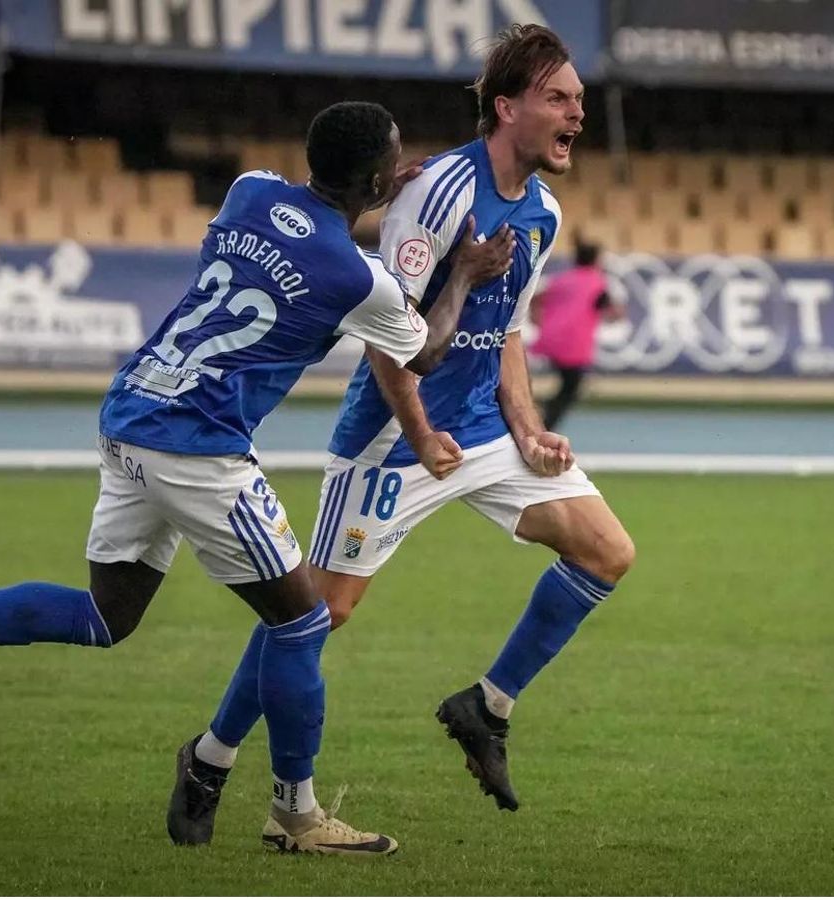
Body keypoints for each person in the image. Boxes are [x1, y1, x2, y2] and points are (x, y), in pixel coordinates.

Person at [0, 101, 516, 855]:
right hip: (199, 449)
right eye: (394, 160)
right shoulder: (358, 278)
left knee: (105, 616)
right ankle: (296, 814)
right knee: (303, 622)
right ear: (377, 176)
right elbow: (427, 350)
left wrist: (369, 189)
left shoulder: (251, 190)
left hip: (132, 411)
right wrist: (464, 275)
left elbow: (309, 226)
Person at [186, 24, 636, 815]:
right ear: (506, 108)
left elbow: (506, 329)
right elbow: (384, 336)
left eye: (580, 101)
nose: (577, 114)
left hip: (483, 432)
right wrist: (423, 435)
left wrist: (526, 427)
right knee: (320, 614)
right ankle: (209, 759)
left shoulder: (543, 212)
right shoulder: (440, 193)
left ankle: (486, 708)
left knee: (606, 551)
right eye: (559, 98)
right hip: (398, 438)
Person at [527, 237, 625, 430]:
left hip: (550, 339)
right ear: (597, 260)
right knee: (571, 388)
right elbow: (614, 313)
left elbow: (535, 299)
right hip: (573, 345)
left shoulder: (562, 278)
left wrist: (537, 318)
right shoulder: (598, 283)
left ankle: (541, 416)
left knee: (567, 385)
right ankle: (543, 424)